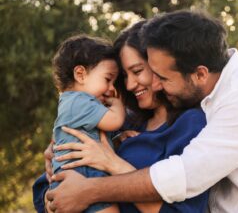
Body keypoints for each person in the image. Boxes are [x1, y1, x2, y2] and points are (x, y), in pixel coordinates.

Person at [46, 10, 238, 213]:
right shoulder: (200, 100)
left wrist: (91, 189)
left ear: (200, 74)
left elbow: (184, 176)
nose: (157, 86)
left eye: (162, 77)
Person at [33, 21, 209, 213]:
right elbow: (43, 189)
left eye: (137, 71)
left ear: (159, 66)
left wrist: (110, 163)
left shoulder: (191, 124)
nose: (130, 84)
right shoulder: (122, 121)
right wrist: (56, 199)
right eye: (123, 76)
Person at [48, 34, 125, 213]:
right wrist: (118, 104)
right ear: (80, 74)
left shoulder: (74, 104)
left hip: (74, 174)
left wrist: (120, 137)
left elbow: (101, 136)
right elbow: (115, 121)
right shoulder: (79, 101)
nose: (112, 89)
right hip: (82, 172)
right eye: (108, 79)